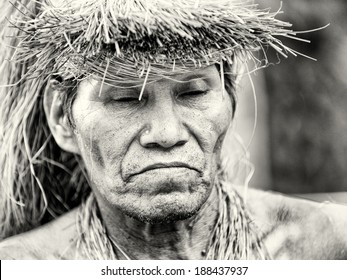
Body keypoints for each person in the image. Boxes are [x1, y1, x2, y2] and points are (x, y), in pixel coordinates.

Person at [0, 0, 346, 260]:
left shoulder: (325, 244)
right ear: (62, 117)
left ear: (230, 97)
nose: (167, 134)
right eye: (125, 99)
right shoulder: (23, 265)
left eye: (193, 92)